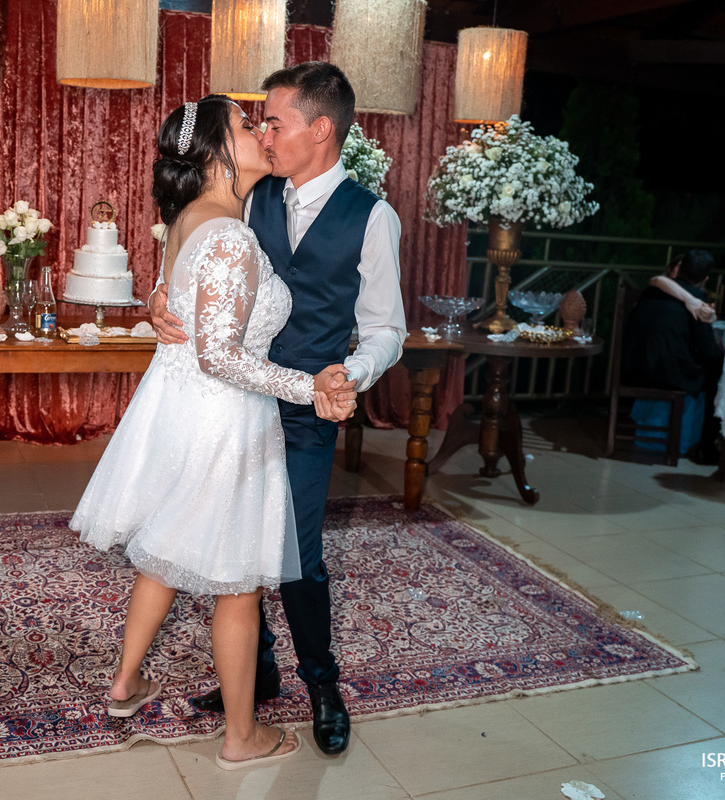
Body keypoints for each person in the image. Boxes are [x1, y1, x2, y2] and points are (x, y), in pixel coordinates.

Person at [70, 95, 353, 770]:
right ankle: (240, 737)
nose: (261, 134)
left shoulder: (192, 220)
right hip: (225, 420)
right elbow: (220, 355)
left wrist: (161, 300)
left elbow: (191, 315)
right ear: (218, 154)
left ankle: (124, 681)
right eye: (247, 127)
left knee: (164, 547)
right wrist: (307, 388)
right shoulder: (229, 234)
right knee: (239, 585)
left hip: (183, 414)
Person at [150, 62, 408, 755]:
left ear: (320, 130)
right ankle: (256, 670)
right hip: (233, 404)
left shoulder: (373, 218)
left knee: (298, 555)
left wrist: (347, 374)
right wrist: (159, 297)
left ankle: (321, 682)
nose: (263, 132)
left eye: (275, 120)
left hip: (305, 411)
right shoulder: (250, 193)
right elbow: (197, 251)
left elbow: (387, 329)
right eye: (257, 122)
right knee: (234, 547)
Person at [622, 249, 723, 461]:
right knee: (714, 373)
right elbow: (708, 352)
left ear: (678, 269)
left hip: (633, 367)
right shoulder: (697, 300)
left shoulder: (652, 290)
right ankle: (701, 444)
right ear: (705, 278)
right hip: (669, 376)